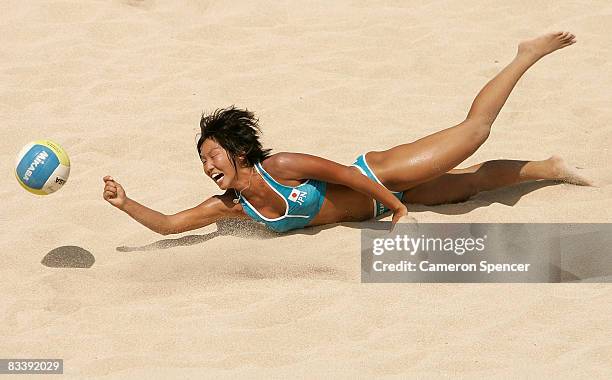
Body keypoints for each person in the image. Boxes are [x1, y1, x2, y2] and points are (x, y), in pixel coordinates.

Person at [103, 31, 591, 235]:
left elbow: (344, 175)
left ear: (237, 152)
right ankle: (550, 167)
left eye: (213, 157)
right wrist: (125, 203)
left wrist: (398, 206)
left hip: (380, 174)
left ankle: (526, 53)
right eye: (203, 162)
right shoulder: (231, 207)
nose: (208, 168)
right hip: (383, 202)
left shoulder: (282, 167)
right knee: (472, 183)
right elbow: (169, 225)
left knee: (475, 132)